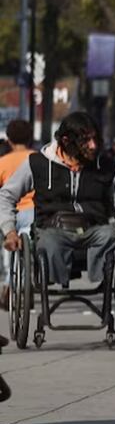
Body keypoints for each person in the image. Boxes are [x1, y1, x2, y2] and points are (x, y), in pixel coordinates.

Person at [0, 112, 115, 288]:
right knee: (49, 242)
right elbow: (6, 196)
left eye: (95, 139)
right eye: (85, 141)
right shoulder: (38, 163)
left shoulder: (108, 167)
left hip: (93, 229)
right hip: (52, 229)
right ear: (66, 141)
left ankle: (101, 278)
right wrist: (10, 231)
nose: (93, 146)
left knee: (112, 236)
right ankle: (54, 276)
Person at [0, 120, 36, 308]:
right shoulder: (38, 159)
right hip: (34, 211)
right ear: (30, 138)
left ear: (9, 140)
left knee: (9, 245)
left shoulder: (3, 162)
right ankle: (27, 281)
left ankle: (9, 283)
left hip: (12, 212)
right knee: (32, 247)